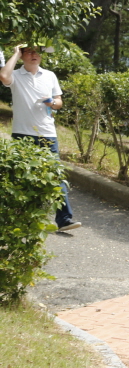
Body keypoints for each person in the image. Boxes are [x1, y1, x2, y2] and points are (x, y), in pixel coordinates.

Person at [1, 44, 80, 231]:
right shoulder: (16, 75)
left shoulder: (49, 75)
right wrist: (15, 53)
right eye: (28, 52)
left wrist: (52, 102)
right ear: (22, 56)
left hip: (47, 133)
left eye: (36, 52)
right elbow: (3, 76)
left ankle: (64, 219)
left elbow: (59, 101)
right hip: (22, 133)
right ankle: (22, 219)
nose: (34, 55)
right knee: (22, 178)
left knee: (56, 175)